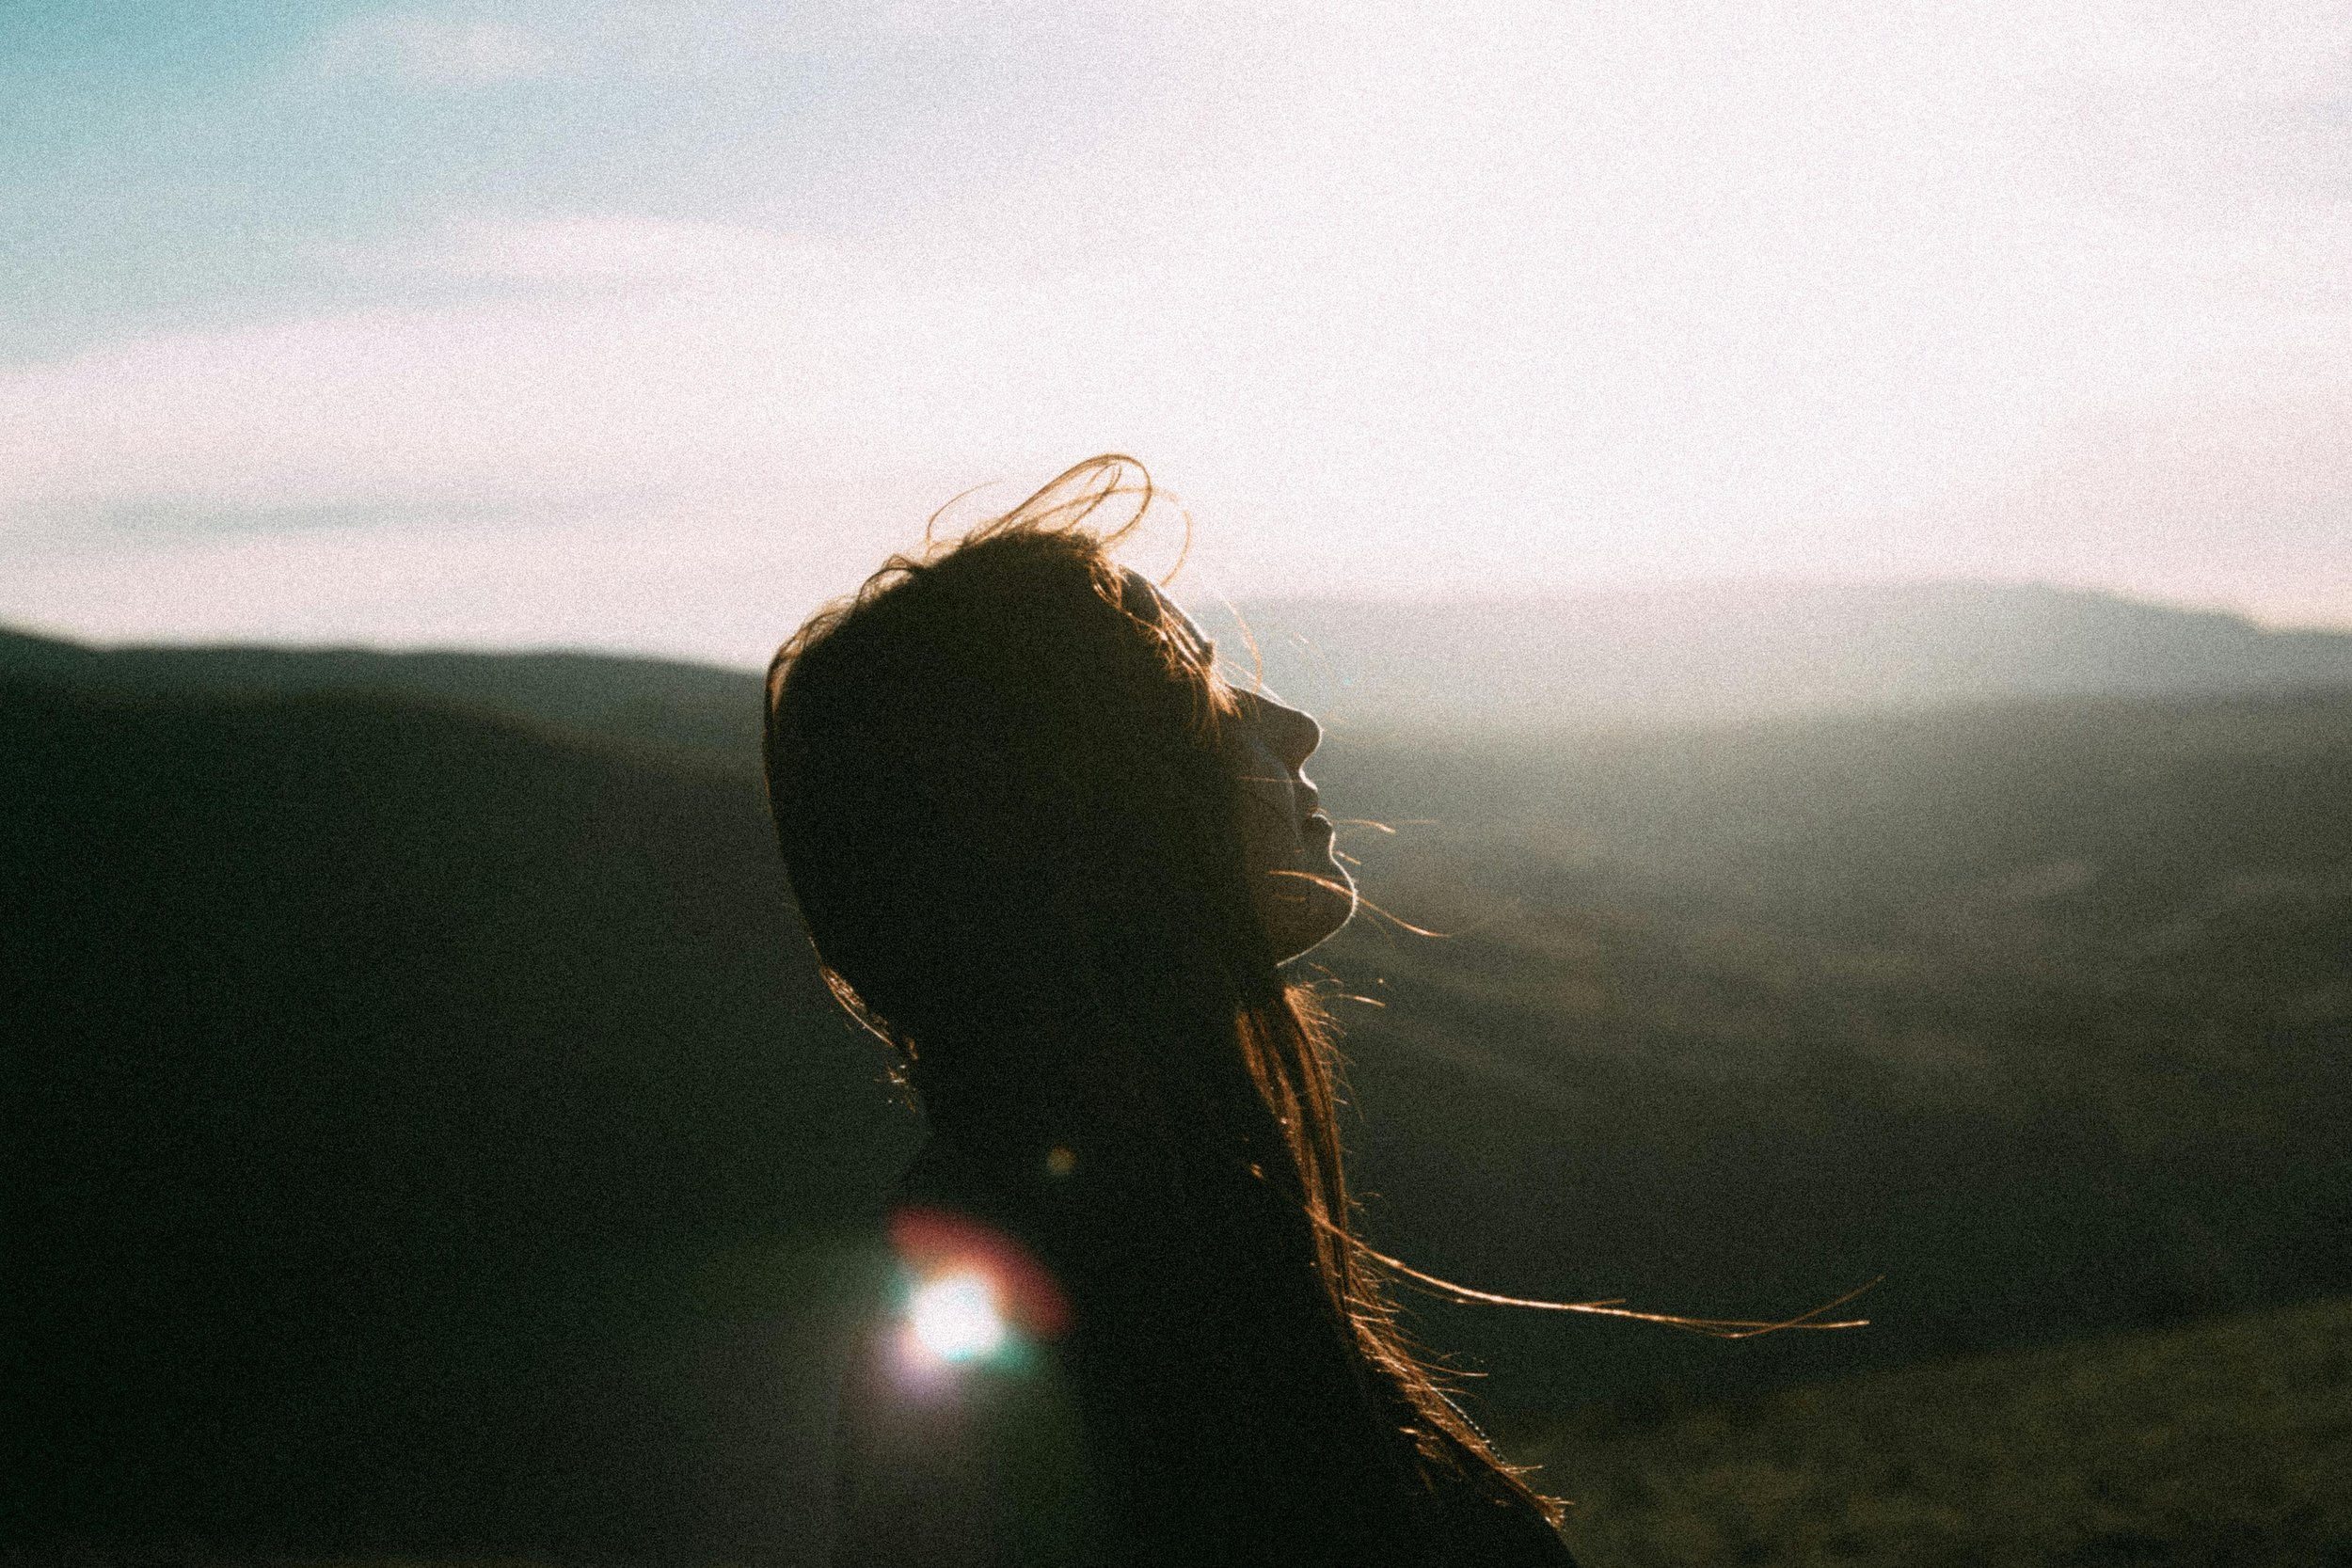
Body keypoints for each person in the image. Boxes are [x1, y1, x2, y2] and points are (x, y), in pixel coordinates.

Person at [763, 456, 1578, 1566]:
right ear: (1065, 812)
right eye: (1193, 684)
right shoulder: (1085, 1303)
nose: (1293, 727)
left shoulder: (1154, 1225)